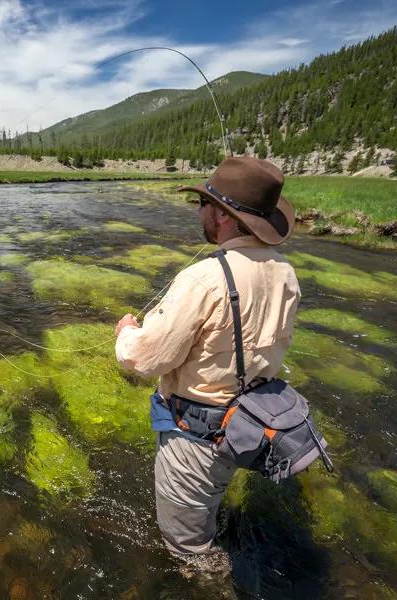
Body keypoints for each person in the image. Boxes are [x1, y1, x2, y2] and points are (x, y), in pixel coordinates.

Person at [113, 156, 300, 570]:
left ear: (223, 216)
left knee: (190, 550)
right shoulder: (286, 272)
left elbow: (144, 358)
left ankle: (211, 583)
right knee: (210, 507)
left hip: (197, 439)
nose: (198, 212)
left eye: (203, 204)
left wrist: (126, 331)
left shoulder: (204, 279)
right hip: (250, 424)